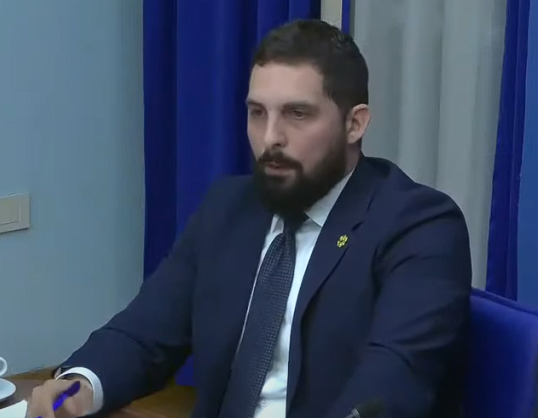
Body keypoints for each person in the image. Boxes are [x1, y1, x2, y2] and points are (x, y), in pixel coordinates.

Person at [26, 19, 471, 418]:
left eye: (297, 114)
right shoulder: (229, 208)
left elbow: (392, 382)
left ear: (355, 124)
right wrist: (80, 387)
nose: (270, 138)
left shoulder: (418, 225)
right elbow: (145, 333)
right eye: (257, 113)